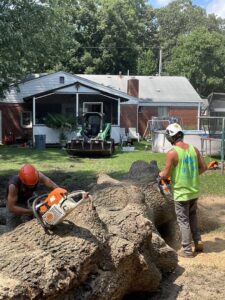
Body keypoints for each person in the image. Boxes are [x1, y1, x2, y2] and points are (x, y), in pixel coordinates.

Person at [159, 123, 207, 258]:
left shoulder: (172, 153)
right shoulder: (194, 149)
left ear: (171, 137)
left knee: (183, 220)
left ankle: (186, 250)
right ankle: (198, 242)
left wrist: (160, 174)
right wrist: (192, 175)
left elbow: (166, 175)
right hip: (193, 191)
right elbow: (203, 168)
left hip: (181, 193)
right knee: (193, 217)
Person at [6, 164, 58, 231]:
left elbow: (49, 182)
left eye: (34, 184)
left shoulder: (37, 176)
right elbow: (11, 208)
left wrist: (60, 190)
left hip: (29, 197)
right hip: (16, 203)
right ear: (22, 180)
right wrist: (32, 211)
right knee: (11, 230)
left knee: (31, 219)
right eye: (30, 185)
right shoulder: (13, 185)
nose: (33, 186)